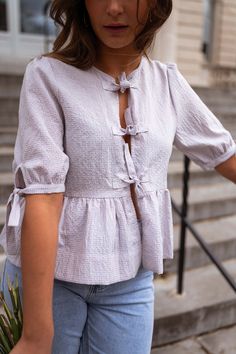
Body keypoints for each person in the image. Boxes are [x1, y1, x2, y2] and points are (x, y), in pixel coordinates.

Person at [0, 0, 236, 353]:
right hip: (47, 282)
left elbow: (224, 153)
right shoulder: (47, 76)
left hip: (130, 280)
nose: (113, 8)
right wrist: (36, 333)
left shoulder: (166, 82)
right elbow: (43, 196)